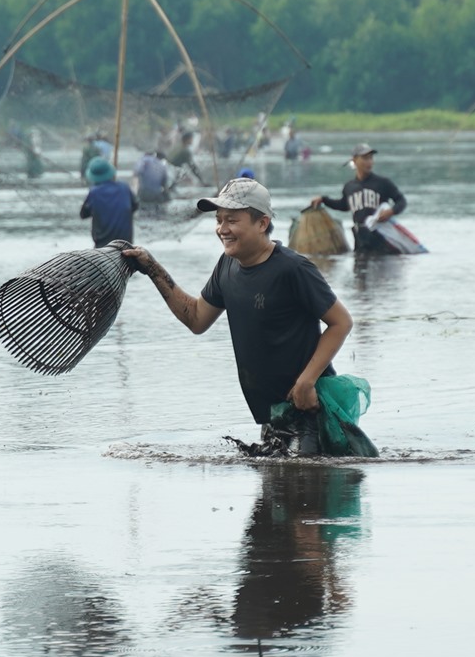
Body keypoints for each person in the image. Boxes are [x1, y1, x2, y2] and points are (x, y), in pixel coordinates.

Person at [122, 178, 355, 457]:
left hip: (307, 415)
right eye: (219, 220)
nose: (222, 229)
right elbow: (195, 318)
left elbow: (341, 322)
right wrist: (152, 268)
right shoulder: (227, 266)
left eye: (232, 220)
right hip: (271, 417)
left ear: (262, 223)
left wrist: (306, 381)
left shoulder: (293, 269)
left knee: (300, 489)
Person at [311, 144, 407, 255]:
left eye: (371, 158)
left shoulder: (383, 183)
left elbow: (401, 201)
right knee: (360, 268)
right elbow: (344, 205)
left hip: (381, 236)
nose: (369, 162)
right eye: (365, 158)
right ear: (355, 160)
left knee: (381, 267)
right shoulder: (349, 187)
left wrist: (391, 211)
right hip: (360, 237)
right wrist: (324, 199)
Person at [79, 158, 135, 246]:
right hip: (126, 244)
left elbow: (83, 214)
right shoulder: (124, 188)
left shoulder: (94, 192)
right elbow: (134, 206)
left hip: (102, 246)